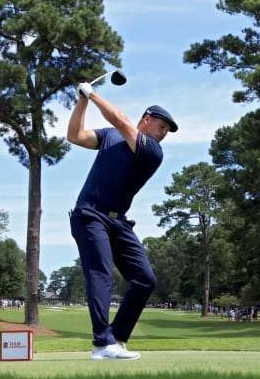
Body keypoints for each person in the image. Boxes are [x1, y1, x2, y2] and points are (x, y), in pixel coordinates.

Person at [67, 81, 177, 361]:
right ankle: (102, 345)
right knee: (101, 274)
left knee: (145, 280)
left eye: (166, 131)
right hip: (90, 214)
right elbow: (75, 136)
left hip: (118, 222)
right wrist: (81, 100)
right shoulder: (110, 136)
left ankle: (117, 338)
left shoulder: (152, 150)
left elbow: (119, 118)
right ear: (147, 120)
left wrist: (91, 94)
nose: (163, 134)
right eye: (162, 127)